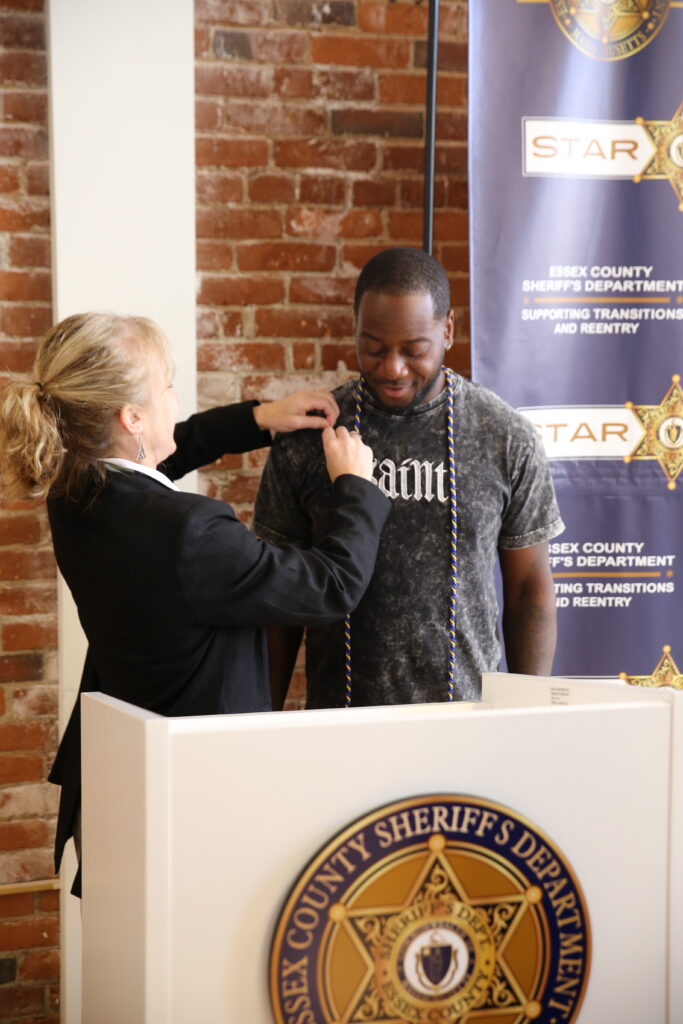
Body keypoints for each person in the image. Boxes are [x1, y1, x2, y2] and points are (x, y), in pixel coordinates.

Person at [0, 311, 390, 894]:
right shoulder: (191, 531)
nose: (174, 398)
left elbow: (158, 461)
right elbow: (332, 586)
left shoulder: (73, 489)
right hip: (197, 794)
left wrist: (260, 419)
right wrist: (354, 486)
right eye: (167, 387)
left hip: (122, 786)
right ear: (132, 417)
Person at [253, 247, 564, 711]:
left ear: (448, 331)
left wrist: (528, 714)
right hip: (341, 723)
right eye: (373, 347)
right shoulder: (308, 441)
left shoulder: (504, 436)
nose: (392, 368)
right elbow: (278, 602)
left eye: (414, 351)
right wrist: (259, 722)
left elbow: (528, 587)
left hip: (468, 719)